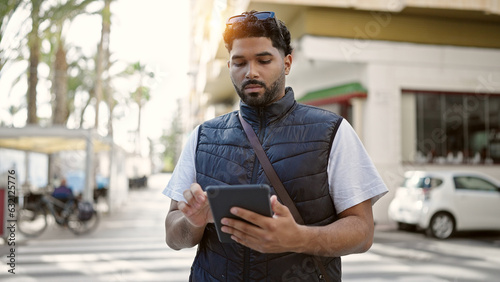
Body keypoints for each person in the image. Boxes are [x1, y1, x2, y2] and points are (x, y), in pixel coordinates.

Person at [164, 10, 388, 281]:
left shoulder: (333, 132)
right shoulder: (202, 137)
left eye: (264, 60)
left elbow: (362, 232)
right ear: (230, 67)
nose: (251, 72)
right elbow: (173, 236)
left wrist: (299, 238)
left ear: (287, 63)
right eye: (239, 62)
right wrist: (193, 223)